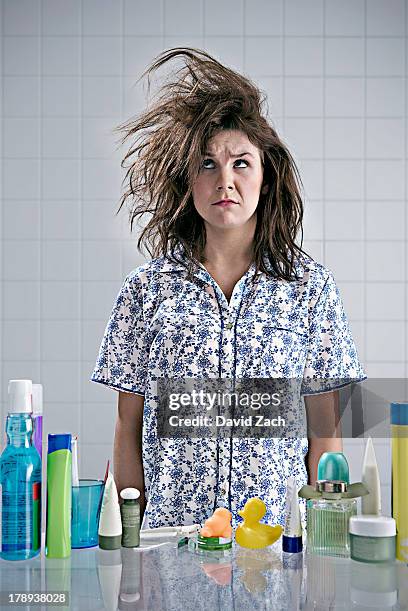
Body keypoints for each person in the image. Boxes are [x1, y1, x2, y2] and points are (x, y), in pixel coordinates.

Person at [91, 48, 366, 530]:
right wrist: (130, 542)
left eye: (241, 163)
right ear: (187, 180)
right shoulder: (144, 291)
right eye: (207, 165)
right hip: (170, 545)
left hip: (279, 547)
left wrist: (329, 544)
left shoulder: (311, 290)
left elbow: (325, 436)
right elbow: (126, 430)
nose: (226, 182)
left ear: (266, 175)